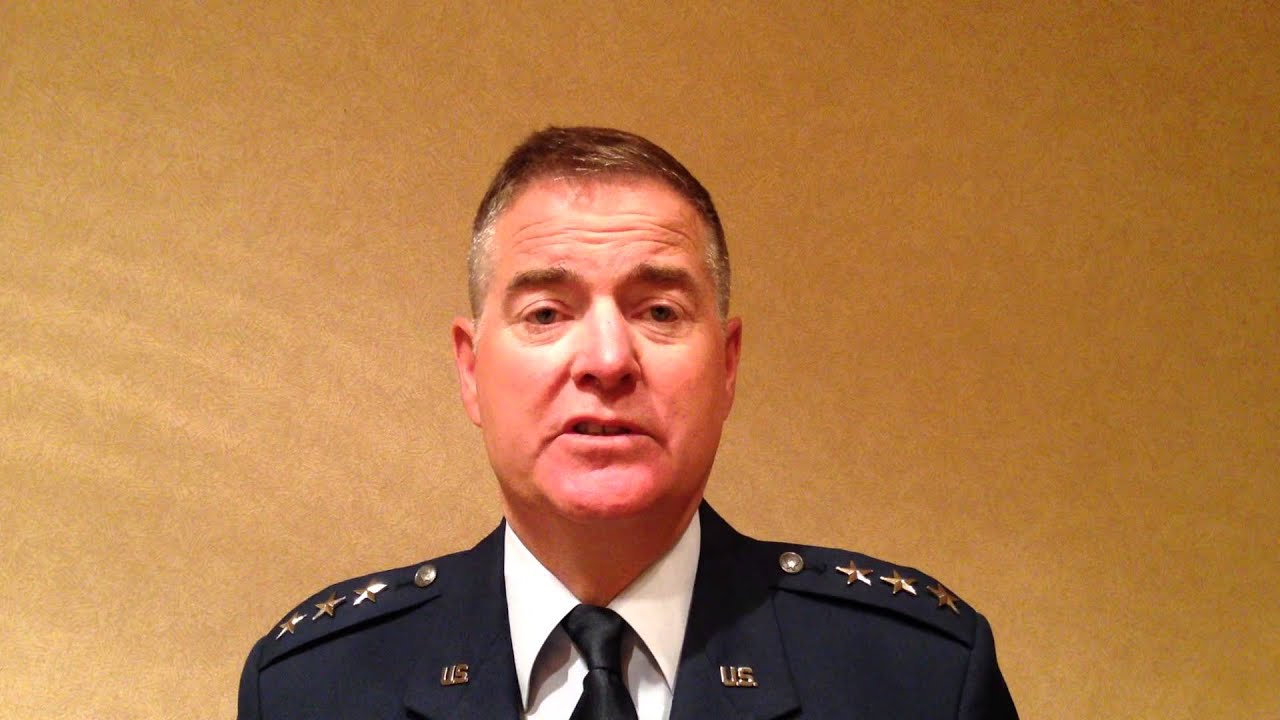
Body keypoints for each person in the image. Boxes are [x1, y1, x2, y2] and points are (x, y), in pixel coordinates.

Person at [238, 126, 1018, 719]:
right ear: (471, 371)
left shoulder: (916, 677)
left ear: (728, 366)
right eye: (547, 313)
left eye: (660, 312)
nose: (608, 360)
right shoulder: (311, 689)